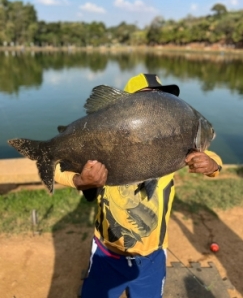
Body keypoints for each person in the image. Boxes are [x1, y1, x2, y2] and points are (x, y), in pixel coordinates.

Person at [54, 73, 223, 298]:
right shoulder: (105, 142)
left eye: (161, 100)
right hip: (107, 253)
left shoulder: (173, 144)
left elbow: (211, 157)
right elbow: (57, 169)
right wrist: (79, 181)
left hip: (153, 256)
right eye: (147, 99)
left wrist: (211, 165)